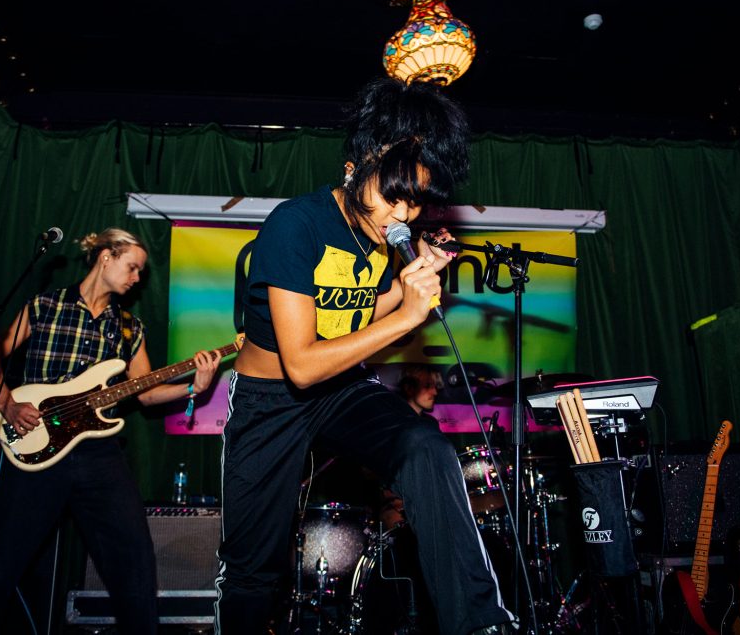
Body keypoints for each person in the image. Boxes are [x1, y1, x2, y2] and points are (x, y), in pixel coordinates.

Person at [215, 78, 515, 635]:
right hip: (272, 399)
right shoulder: (296, 224)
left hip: (341, 389)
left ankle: (478, 624)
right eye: (392, 195)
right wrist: (408, 316)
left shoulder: (382, 238)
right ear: (356, 167)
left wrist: (405, 288)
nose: (401, 213)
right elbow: (302, 364)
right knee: (253, 571)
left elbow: (351, 315)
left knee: (426, 447)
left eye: (415, 200)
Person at [0, 228, 221, 634]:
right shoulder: (44, 306)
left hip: (97, 454)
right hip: (36, 443)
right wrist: (9, 404)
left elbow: (146, 393)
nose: (136, 278)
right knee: (0, 563)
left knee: (134, 560)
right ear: (106, 257)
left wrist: (195, 387)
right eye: (132, 267)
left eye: (140, 272)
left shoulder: (129, 327)